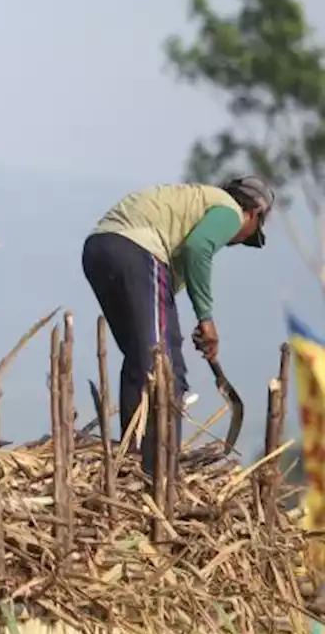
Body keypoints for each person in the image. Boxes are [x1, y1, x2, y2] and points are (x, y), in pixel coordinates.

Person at [81, 176, 274, 474]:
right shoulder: (230, 210)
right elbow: (198, 249)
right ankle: (160, 468)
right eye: (248, 234)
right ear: (254, 214)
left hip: (99, 249)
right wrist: (206, 318)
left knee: (143, 358)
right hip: (136, 251)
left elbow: (162, 290)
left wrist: (186, 325)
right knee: (164, 366)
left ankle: (133, 457)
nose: (237, 240)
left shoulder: (193, 207)